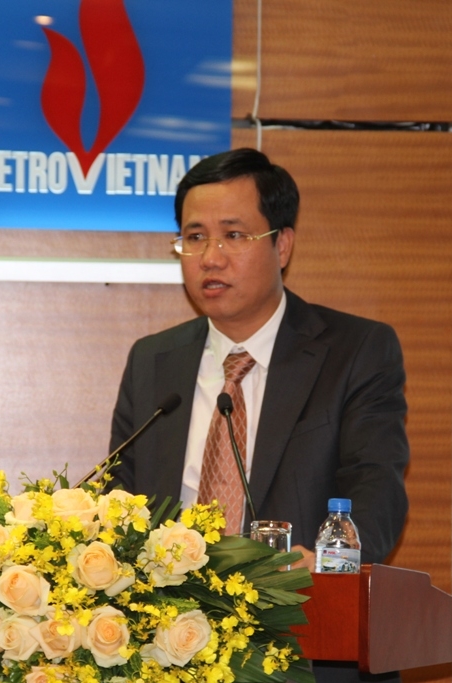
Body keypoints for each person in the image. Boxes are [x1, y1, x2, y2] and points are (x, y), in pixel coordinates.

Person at [108, 148, 408, 681]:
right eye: (194, 237)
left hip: (306, 649)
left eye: (234, 235)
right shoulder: (152, 362)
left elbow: (377, 487)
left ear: (282, 245)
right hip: (168, 655)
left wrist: (327, 564)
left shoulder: (354, 351)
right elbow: (119, 499)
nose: (210, 257)